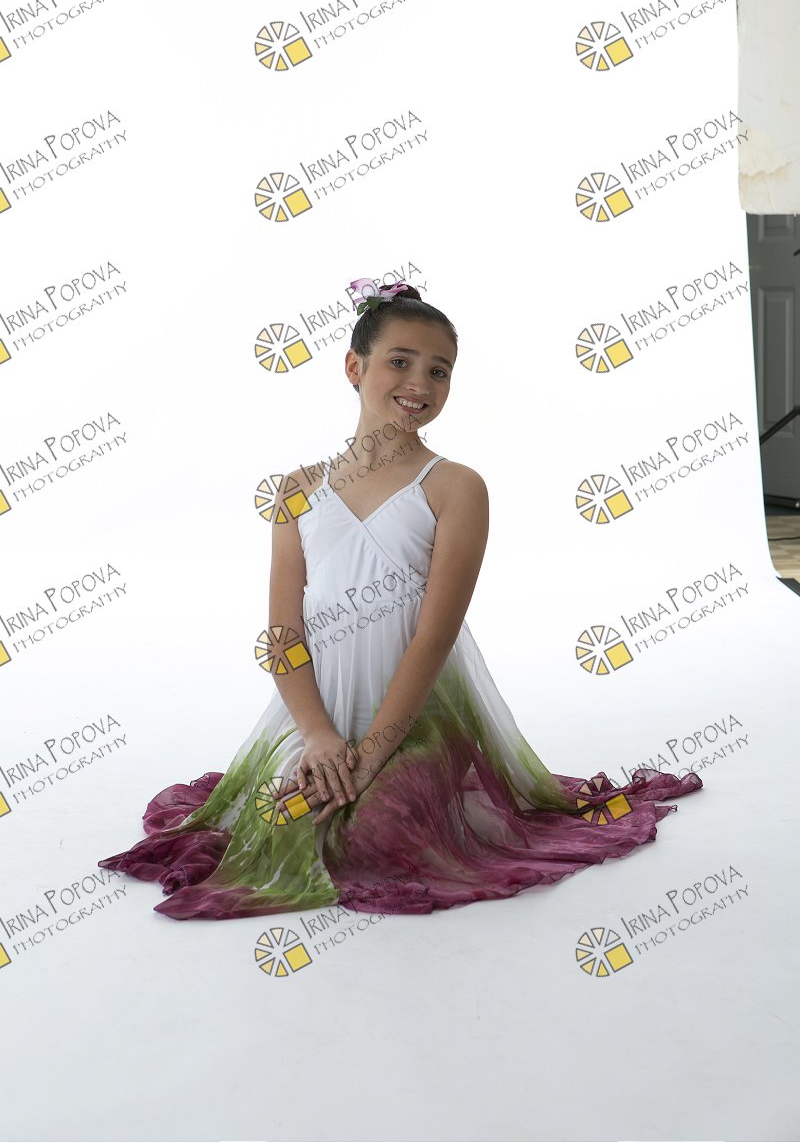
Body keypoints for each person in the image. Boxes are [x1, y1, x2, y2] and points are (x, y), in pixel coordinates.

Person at [97, 278, 703, 920]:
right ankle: (321, 761)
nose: (420, 382)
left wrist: (373, 754)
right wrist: (319, 736)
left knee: (377, 834)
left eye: (439, 370)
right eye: (400, 361)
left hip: (418, 718)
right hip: (317, 716)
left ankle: (411, 778)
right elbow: (283, 633)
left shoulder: (455, 486)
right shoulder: (298, 488)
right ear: (354, 367)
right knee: (281, 826)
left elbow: (435, 635)